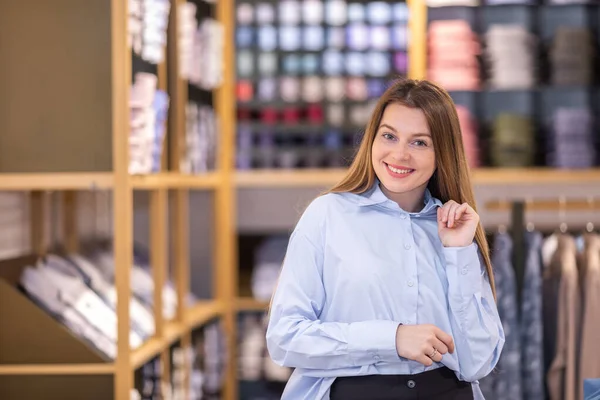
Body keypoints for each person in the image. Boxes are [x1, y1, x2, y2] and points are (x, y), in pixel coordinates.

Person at [265, 78, 505, 400]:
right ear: (372, 139)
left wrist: (459, 251)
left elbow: (477, 363)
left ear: (441, 153)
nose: (399, 154)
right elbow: (284, 338)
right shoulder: (327, 216)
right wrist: (392, 339)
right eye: (389, 136)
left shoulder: (455, 229)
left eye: (419, 142)